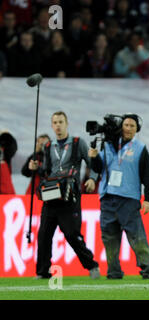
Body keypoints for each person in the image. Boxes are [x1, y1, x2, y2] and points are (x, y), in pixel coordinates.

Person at [28, 111, 100, 279]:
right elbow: (47, 171)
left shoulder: (77, 143)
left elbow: (93, 164)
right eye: (55, 122)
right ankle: (43, 271)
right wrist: (35, 168)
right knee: (44, 234)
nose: (58, 125)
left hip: (70, 196)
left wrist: (92, 180)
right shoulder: (48, 146)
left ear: (66, 123)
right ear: (52, 126)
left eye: (61, 122)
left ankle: (92, 265)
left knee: (72, 234)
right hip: (51, 196)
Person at [89, 114, 149, 280]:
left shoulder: (140, 148)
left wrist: (148, 199)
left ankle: (147, 269)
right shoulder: (108, 145)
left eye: (132, 126)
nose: (128, 128)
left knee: (136, 236)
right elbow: (99, 168)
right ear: (121, 127)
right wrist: (94, 157)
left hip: (128, 199)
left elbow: (148, 176)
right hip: (107, 197)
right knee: (109, 237)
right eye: (126, 125)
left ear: (137, 129)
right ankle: (113, 271)